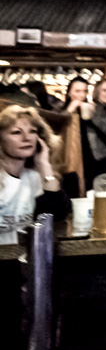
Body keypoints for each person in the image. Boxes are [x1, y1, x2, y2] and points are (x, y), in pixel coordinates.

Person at [0, 105, 69, 245]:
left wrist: (44, 165)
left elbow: (57, 216)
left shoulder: (36, 176)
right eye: (16, 132)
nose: (27, 138)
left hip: (28, 258)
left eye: (32, 131)